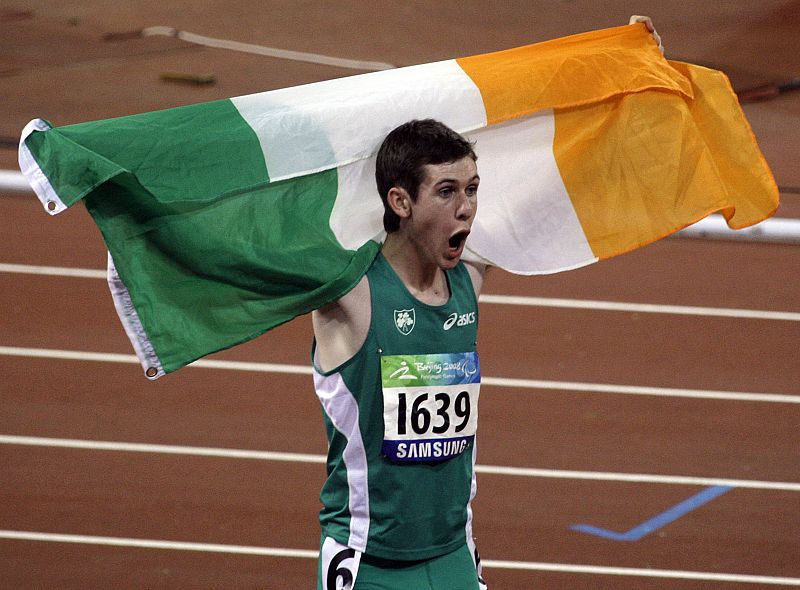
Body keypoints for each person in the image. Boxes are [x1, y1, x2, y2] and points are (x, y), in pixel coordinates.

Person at [312, 119, 487, 590]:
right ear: (401, 201)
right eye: (447, 192)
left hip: (454, 555)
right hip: (369, 563)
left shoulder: (469, 283)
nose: (466, 208)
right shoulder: (351, 296)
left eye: (472, 189)